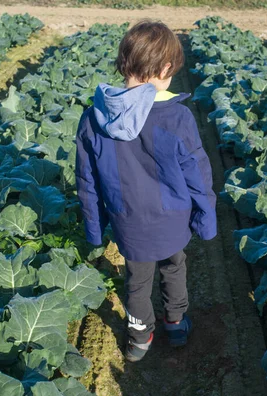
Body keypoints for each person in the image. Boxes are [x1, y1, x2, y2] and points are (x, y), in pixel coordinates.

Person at [74, 20, 217, 362]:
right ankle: (175, 322)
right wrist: (206, 221)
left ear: (124, 62)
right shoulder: (177, 117)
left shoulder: (93, 119)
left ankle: (139, 338)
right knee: (174, 267)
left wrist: (94, 231)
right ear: (166, 67)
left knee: (137, 281)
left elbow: (87, 182)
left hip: (130, 223)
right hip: (173, 222)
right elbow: (198, 175)